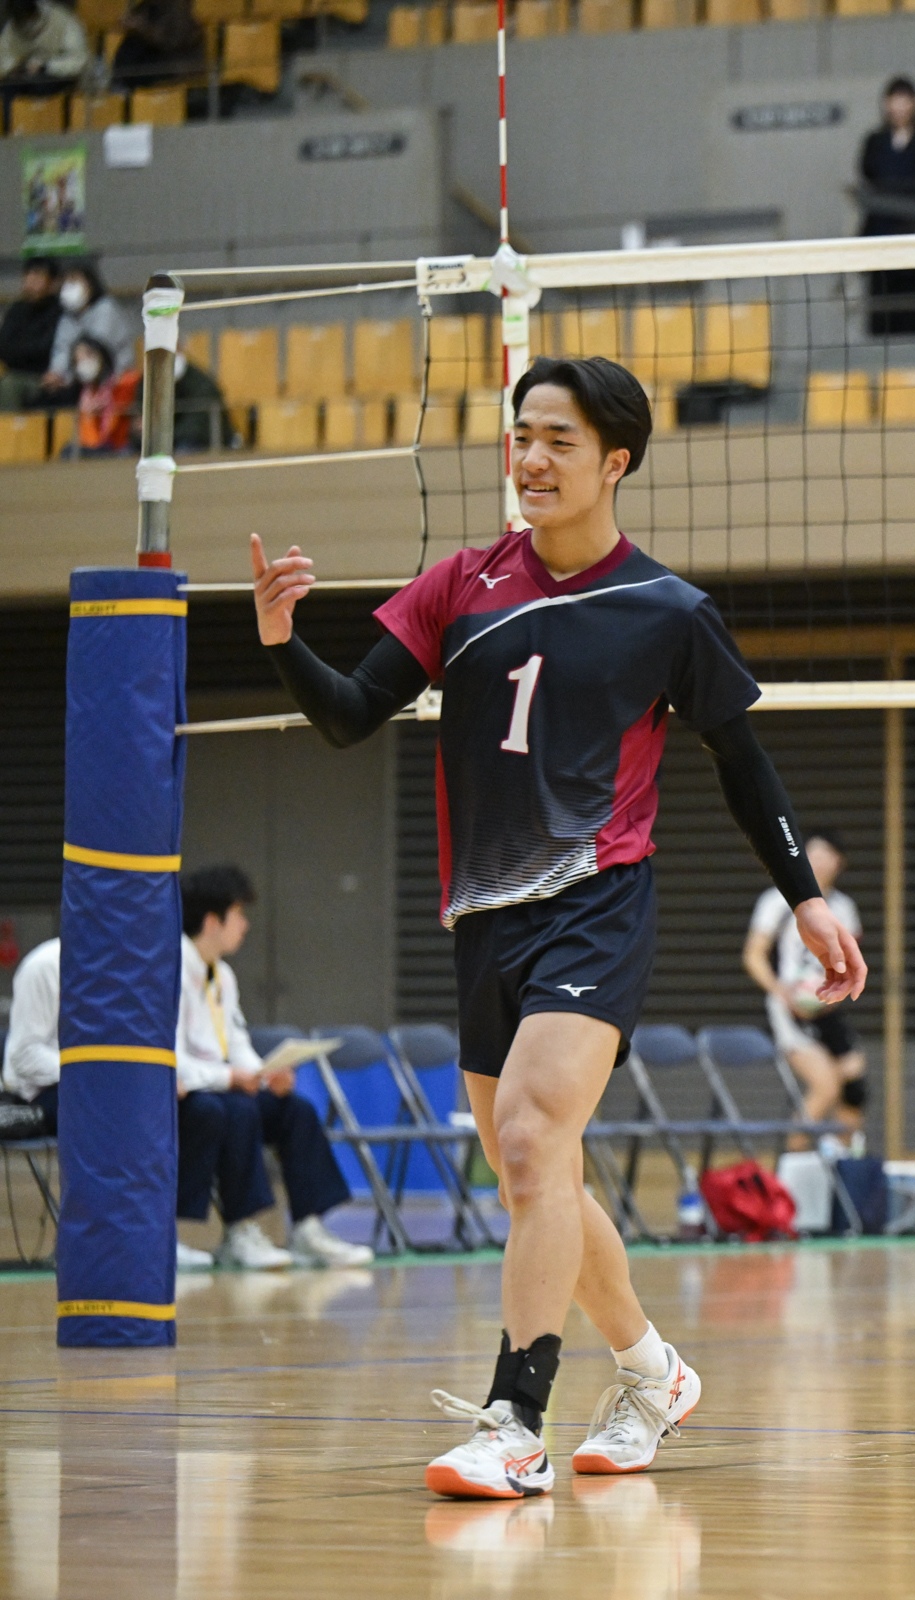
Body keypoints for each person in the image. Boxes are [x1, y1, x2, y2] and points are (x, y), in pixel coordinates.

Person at [251, 353, 866, 1498]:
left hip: (598, 901)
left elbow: (743, 764)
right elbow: (348, 717)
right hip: (485, 917)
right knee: (536, 1173)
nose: (531, 458)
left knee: (534, 1141)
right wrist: (285, 639)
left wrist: (806, 897)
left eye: (559, 441)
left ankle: (515, 1421)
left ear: (615, 460)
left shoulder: (668, 611)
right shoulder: (460, 585)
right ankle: (652, 1369)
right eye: (521, 435)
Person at [172, 865, 376, 1272]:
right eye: (238, 914)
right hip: (185, 1096)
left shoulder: (222, 976)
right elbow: (168, 1057)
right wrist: (231, 1078)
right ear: (212, 921)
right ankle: (240, 1230)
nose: (245, 925)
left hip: (223, 1090)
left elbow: (237, 1043)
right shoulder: (171, 970)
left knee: (294, 1110)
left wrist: (265, 1074)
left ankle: (308, 1228)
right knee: (237, 1110)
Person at [744, 830, 868, 1139]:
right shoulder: (776, 901)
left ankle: (842, 1160)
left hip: (827, 1005)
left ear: (839, 862)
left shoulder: (844, 908)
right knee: (826, 1086)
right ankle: (791, 1159)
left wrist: (839, 991)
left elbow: (850, 961)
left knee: (854, 1085)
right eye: (812, 853)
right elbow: (753, 955)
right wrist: (782, 992)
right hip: (790, 1007)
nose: (818, 861)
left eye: (826, 855)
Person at [856, 75, 915, 338]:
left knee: (911, 299)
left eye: (905, 101)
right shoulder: (875, 140)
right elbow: (869, 173)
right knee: (881, 298)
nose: (900, 107)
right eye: (895, 101)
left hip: (914, 230)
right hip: (881, 231)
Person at [44, 261, 136, 403]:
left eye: (74, 281)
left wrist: (68, 378)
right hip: (78, 380)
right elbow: (61, 349)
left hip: (114, 378)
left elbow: (97, 352)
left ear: (90, 284)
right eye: (66, 282)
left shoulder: (106, 308)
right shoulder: (66, 318)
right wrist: (57, 373)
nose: (69, 287)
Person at [2, 936, 61, 1133]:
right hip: (41, 1091)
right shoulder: (46, 965)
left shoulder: (132, 968)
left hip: (102, 1083)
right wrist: (86, 1070)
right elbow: (24, 1054)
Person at [0, 258, 61, 411]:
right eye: (28, 275)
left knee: (8, 385)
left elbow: (46, 349)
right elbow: (3, 347)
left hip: (44, 378)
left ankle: (10, 427)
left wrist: (18, 352)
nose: (31, 281)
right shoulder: (16, 309)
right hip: (14, 372)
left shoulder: (60, 311)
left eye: (38, 276)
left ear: (53, 283)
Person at [64, 334, 137, 457]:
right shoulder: (80, 394)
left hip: (119, 448)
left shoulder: (122, 384)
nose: (84, 363)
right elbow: (86, 438)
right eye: (78, 360)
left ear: (102, 355)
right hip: (92, 449)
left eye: (88, 355)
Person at [0, 0, 86, 101]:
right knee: (6, 90)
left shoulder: (61, 20)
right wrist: (17, 67)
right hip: (25, 79)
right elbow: (4, 60)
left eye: (29, 18)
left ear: (35, 13)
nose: (27, 26)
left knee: (39, 87)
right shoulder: (12, 29)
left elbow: (79, 60)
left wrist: (45, 66)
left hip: (57, 76)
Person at [109, 0, 202, 91]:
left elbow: (172, 40)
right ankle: (120, 83)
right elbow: (137, 19)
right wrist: (130, 23)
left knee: (135, 44)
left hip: (174, 64)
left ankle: (122, 84)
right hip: (153, 61)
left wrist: (142, 27)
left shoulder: (180, 6)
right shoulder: (149, 5)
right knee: (132, 42)